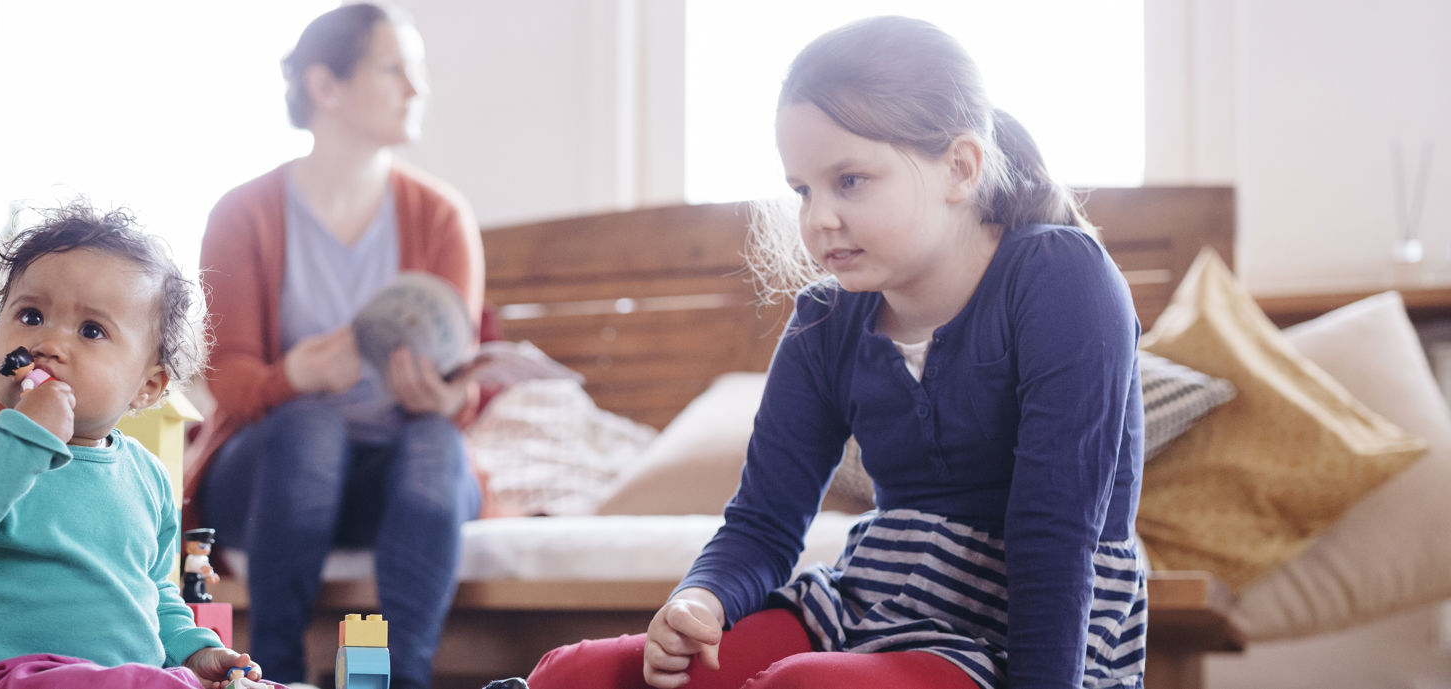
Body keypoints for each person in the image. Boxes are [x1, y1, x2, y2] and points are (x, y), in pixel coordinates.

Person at [525, 16, 1146, 689]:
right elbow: (763, 522)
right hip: (868, 601)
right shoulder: (824, 318)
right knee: (580, 673)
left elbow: (1055, 532)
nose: (818, 217)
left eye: (850, 180)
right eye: (802, 189)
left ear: (960, 169)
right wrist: (700, 597)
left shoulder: (1061, 276)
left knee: (805, 684)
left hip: (1019, 637)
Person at [189, 4, 487, 688]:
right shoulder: (242, 213)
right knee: (313, 422)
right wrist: (293, 374)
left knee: (436, 442)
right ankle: (275, 670)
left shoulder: (441, 217)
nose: (418, 90)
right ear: (325, 86)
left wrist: (447, 397)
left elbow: (460, 379)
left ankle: (403, 678)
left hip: (398, 481)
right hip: (274, 477)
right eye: (395, 70)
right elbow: (225, 378)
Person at [0, 203, 275, 688]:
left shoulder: (148, 477)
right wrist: (28, 437)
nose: (48, 343)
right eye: (30, 316)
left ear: (149, 387)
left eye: (91, 330)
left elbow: (155, 592)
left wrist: (196, 651)